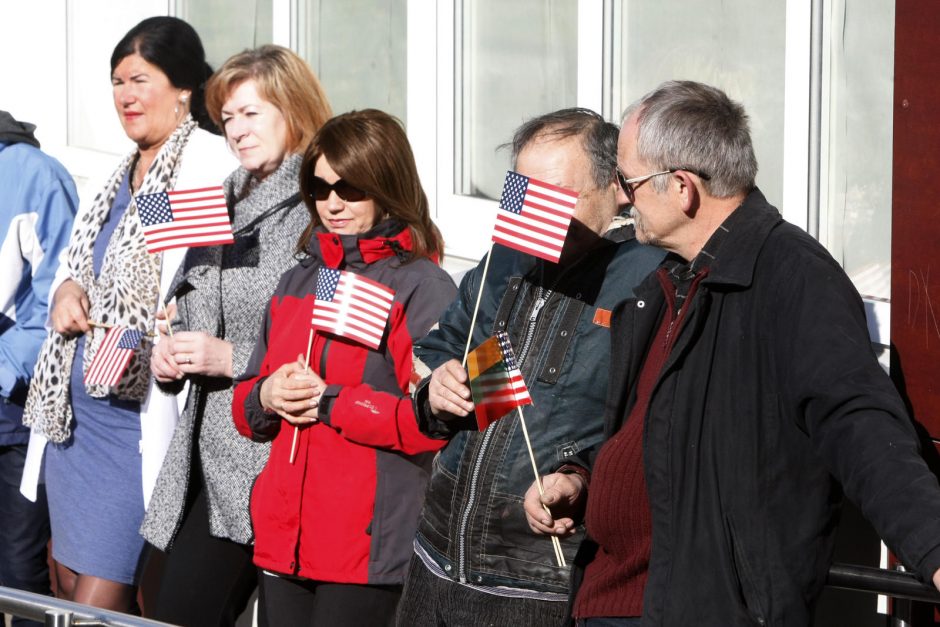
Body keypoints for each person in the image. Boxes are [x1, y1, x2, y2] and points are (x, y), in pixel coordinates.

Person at [524, 80, 940, 626]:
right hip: (614, 596)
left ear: (681, 188)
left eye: (629, 180)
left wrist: (934, 549)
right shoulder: (666, 281)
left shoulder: (793, 279)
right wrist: (583, 479)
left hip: (700, 608)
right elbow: (660, 430)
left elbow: (858, 423)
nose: (622, 196)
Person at [395, 108, 664, 626]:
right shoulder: (509, 254)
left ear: (617, 187)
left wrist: (576, 479)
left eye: (557, 196)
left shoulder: (649, 278)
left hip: (542, 577)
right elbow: (444, 344)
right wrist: (435, 385)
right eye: (525, 194)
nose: (536, 215)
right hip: (439, 551)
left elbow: (645, 422)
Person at [21, 16, 235, 612]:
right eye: (117, 82)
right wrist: (65, 292)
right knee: (65, 584)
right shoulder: (115, 172)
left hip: (132, 424)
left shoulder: (204, 166)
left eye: (140, 79)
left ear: (185, 89)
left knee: (99, 602)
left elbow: (202, 283)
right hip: (73, 419)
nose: (126, 96)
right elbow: (73, 265)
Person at [231, 108, 456, 626]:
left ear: (385, 183)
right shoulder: (297, 280)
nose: (332, 203)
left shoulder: (421, 285)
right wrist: (266, 395)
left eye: (350, 188)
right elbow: (244, 410)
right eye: (320, 186)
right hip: (284, 540)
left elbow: (432, 421)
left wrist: (330, 400)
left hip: (366, 550)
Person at [139, 44, 331, 626]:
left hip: (265, 457)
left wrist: (232, 357)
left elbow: (330, 350)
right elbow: (192, 303)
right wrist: (169, 356)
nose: (237, 130)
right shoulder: (220, 198)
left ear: (292, 110)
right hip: (196, 452)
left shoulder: (322, 204)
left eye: (251, 113)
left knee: (183, 610)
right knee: (152, 597)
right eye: (227, 118)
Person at [0, 111, 78, 627]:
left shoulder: (34, 174)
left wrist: (4, 368)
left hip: (16, 407)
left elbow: (64, 289)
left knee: (17, 570)